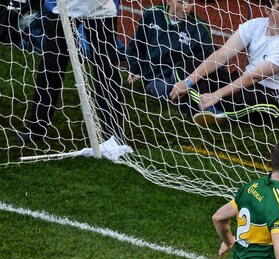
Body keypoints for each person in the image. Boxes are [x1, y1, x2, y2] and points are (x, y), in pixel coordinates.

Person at [168, 0, 279, 125]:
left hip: (273, 98)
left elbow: (255, 76)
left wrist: (217, 94)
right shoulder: (254, 25)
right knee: (186, 67)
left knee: (243, 100)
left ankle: (199, 103)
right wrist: (188, 82)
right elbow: (221, 55)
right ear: (268, 10)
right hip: (244, 84)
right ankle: (210, 107)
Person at [18, 0, 127, 155]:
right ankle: (36, 127)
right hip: (62, 6)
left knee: (106, 69)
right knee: (51, 64)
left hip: (100, 6)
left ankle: (114, 131)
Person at [125, 0, 214, 100]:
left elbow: (211, 60)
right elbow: (137, 45)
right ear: (169, 1)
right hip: (149, 76)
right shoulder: (152, 14)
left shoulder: (200, 29)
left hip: (178, 78)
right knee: (159, 88)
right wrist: (134, 68)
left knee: (163, 87)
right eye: (180, 2)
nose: (186, 7)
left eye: (190, 1)